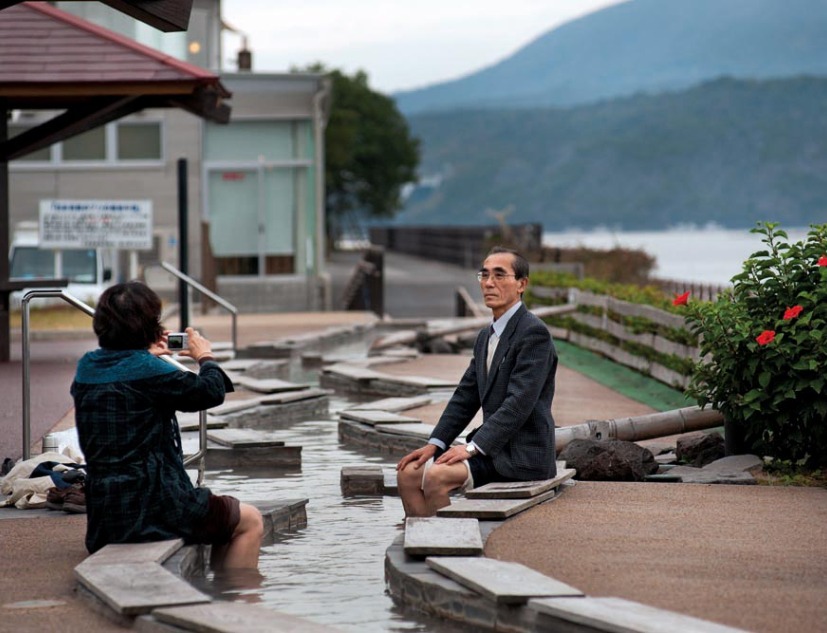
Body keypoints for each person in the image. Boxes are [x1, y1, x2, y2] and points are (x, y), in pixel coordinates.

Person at [71, 281, 263, 569]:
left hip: (105, 517)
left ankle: (217, 594)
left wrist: (145, 358)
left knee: (223, 519)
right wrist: (204, 356)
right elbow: (210, 392)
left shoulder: (87, 367)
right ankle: (238, 600)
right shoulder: (149, 372)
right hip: (155, 509)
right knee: (250, 521)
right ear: (149, 326)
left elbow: (125, 378)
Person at [396, 246, 558, 517]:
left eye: (499, 275)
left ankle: (448, 547)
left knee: (437, 476)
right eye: (484, 275)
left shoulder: (534, 334)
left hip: (522, 456)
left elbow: (518, 404)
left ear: (521, 284)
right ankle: (422, 546)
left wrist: (471, 448)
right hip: (492, 451)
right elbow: (465, 396)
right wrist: (435, 443)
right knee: (408, 473)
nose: (489, 283)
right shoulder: (486, 336)